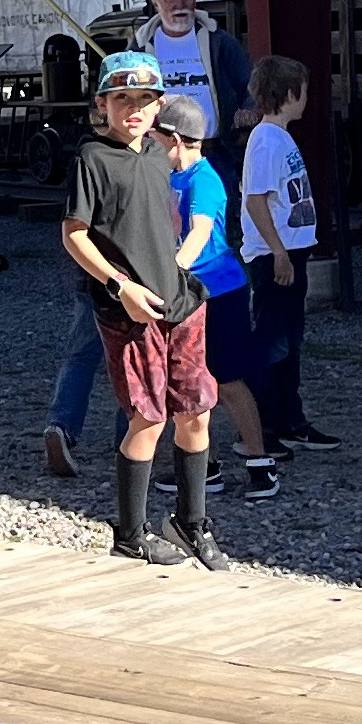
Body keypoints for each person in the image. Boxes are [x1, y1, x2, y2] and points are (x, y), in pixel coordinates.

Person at [61, 50, 222, 566]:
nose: (133, 109)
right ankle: (130, 532)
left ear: (159, 108)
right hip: (129, 309)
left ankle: (190, 522)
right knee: (147, 418)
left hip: (179, 301)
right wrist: (118, 286)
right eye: (122, 99)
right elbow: (74, 234)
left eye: (144, 100)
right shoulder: (91, 158)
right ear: (102, 105)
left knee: (196, 411)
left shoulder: (157, 154)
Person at [154, 96, 280, 504]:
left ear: (174, 140)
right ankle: (201, 465)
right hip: (185, 289)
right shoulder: (166, 176)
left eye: (155, 138)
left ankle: (261, 463)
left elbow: (198, 232)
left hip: (217, 290)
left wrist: (170, 270)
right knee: (186, 378)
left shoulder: (203, 179)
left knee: (227, 380)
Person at [232, 53, 338, 457]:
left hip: (291, 252)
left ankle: (289, 419)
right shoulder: (265, 141)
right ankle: (262, 428)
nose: (306, 98)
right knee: (272, 343)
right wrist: (277, 252)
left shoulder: (278, 137)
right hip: (275, 256)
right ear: (290, 93)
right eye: (304, 91)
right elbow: (256, 201)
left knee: (289, 341)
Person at [137, 0, 250, 143]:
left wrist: (242, 126)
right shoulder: (141, 49)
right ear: (156, 3)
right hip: (160, 153)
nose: (180, 4)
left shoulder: (219, 41)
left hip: (216, 153)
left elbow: (249, 87)